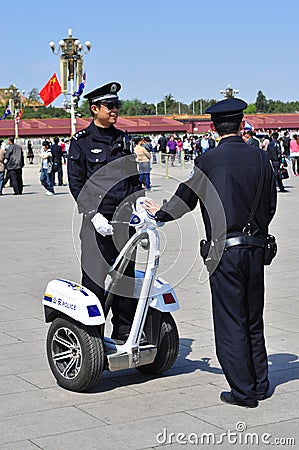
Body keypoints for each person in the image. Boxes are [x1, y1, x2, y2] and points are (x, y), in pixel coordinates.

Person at [144, 97, 277, 408]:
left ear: (215, 126)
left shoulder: (209, 161)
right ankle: (260, 383)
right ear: (241, 122)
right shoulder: (261, 158)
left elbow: (185, 200)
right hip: (255, 249)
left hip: (224, 251)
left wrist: (161, 213)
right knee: (252, 318)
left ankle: (243, 392)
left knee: (231, 320)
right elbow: (270, 204)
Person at [67, 82, 143, 342]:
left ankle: (123, 332)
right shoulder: (81, 142)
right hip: (96, 224)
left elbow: (132, 178)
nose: (115, 110)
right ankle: (92, 338)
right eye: (110, 106)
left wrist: (139, 204)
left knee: (126, 279)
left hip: (124, 222)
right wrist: (92, 215)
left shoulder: (122, 138)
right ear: (94, 108)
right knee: (95, 282)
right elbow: (76, 184)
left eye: (117, 105)